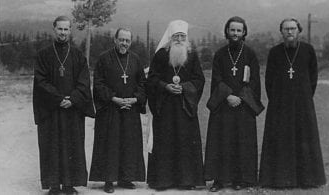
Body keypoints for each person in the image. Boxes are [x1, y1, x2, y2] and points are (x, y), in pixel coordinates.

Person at [259, 18, 326, 188]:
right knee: (281, 139)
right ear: (281, 32)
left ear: (299, 31)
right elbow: (269, 80)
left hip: (303, 104)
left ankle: (308, 180)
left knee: (304, 139)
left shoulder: (308, 50)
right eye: (286, 29)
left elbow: (313, 77)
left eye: (293, 29)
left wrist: (304, 97)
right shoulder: (274, 52)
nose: (290, 32)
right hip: (280, 105)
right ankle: (280, 179)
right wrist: (276, 100)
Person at [33, 16, 95, 195]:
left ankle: (69, 184)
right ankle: (53, 185)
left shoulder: (78, 56)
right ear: (54, 29)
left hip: (72, 110)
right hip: (51, 109)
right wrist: (59, 98)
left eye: (66, 29)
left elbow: (84, 82)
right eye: (60, 29)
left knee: (72, 145)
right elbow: (40, 81)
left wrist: (73, 99)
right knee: (51, 145)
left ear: (70, 30)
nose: (63, 33)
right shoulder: (44, 55)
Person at [204, 16, 264, 192]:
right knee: (221, 141)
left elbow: (254, 82)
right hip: (223, 106)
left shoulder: (250, 54)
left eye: (239, 30)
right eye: (232, 30)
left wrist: (241, 98)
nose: (235, 33)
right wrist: (228, 95)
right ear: (227, 32)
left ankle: (241, 179)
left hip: (243, 107)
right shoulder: (220, 54)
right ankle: (219, 180)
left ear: (244, 32)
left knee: (241, 142)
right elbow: (216, 79)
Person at [146, 20, 205, 190]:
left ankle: (186, 181)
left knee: (186, 142)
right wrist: (166, 86)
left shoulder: (192, 55)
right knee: (165, 141)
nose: (179, 39)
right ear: (170, 37)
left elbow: (199, 80)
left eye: (182, 36)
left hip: (185, 107)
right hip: (165, 107)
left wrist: (184, 88)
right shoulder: (161, 55)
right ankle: (163, 181)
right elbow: (152, 80)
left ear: (186, 38)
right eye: (176, 36)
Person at [89, 27, 147, 193]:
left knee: (128, 144)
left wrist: (135, 99)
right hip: (110, 109)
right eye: (121, 40)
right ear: (115, 40)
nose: (124, 43)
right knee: (110, 144)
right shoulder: (104, 58)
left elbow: (143, 83)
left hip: (130, 109)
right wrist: (114, 99)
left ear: (131, 42)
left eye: (127, 41)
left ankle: (126, 178)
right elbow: (98, 84)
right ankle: (108, 179)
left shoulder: (135, 59)